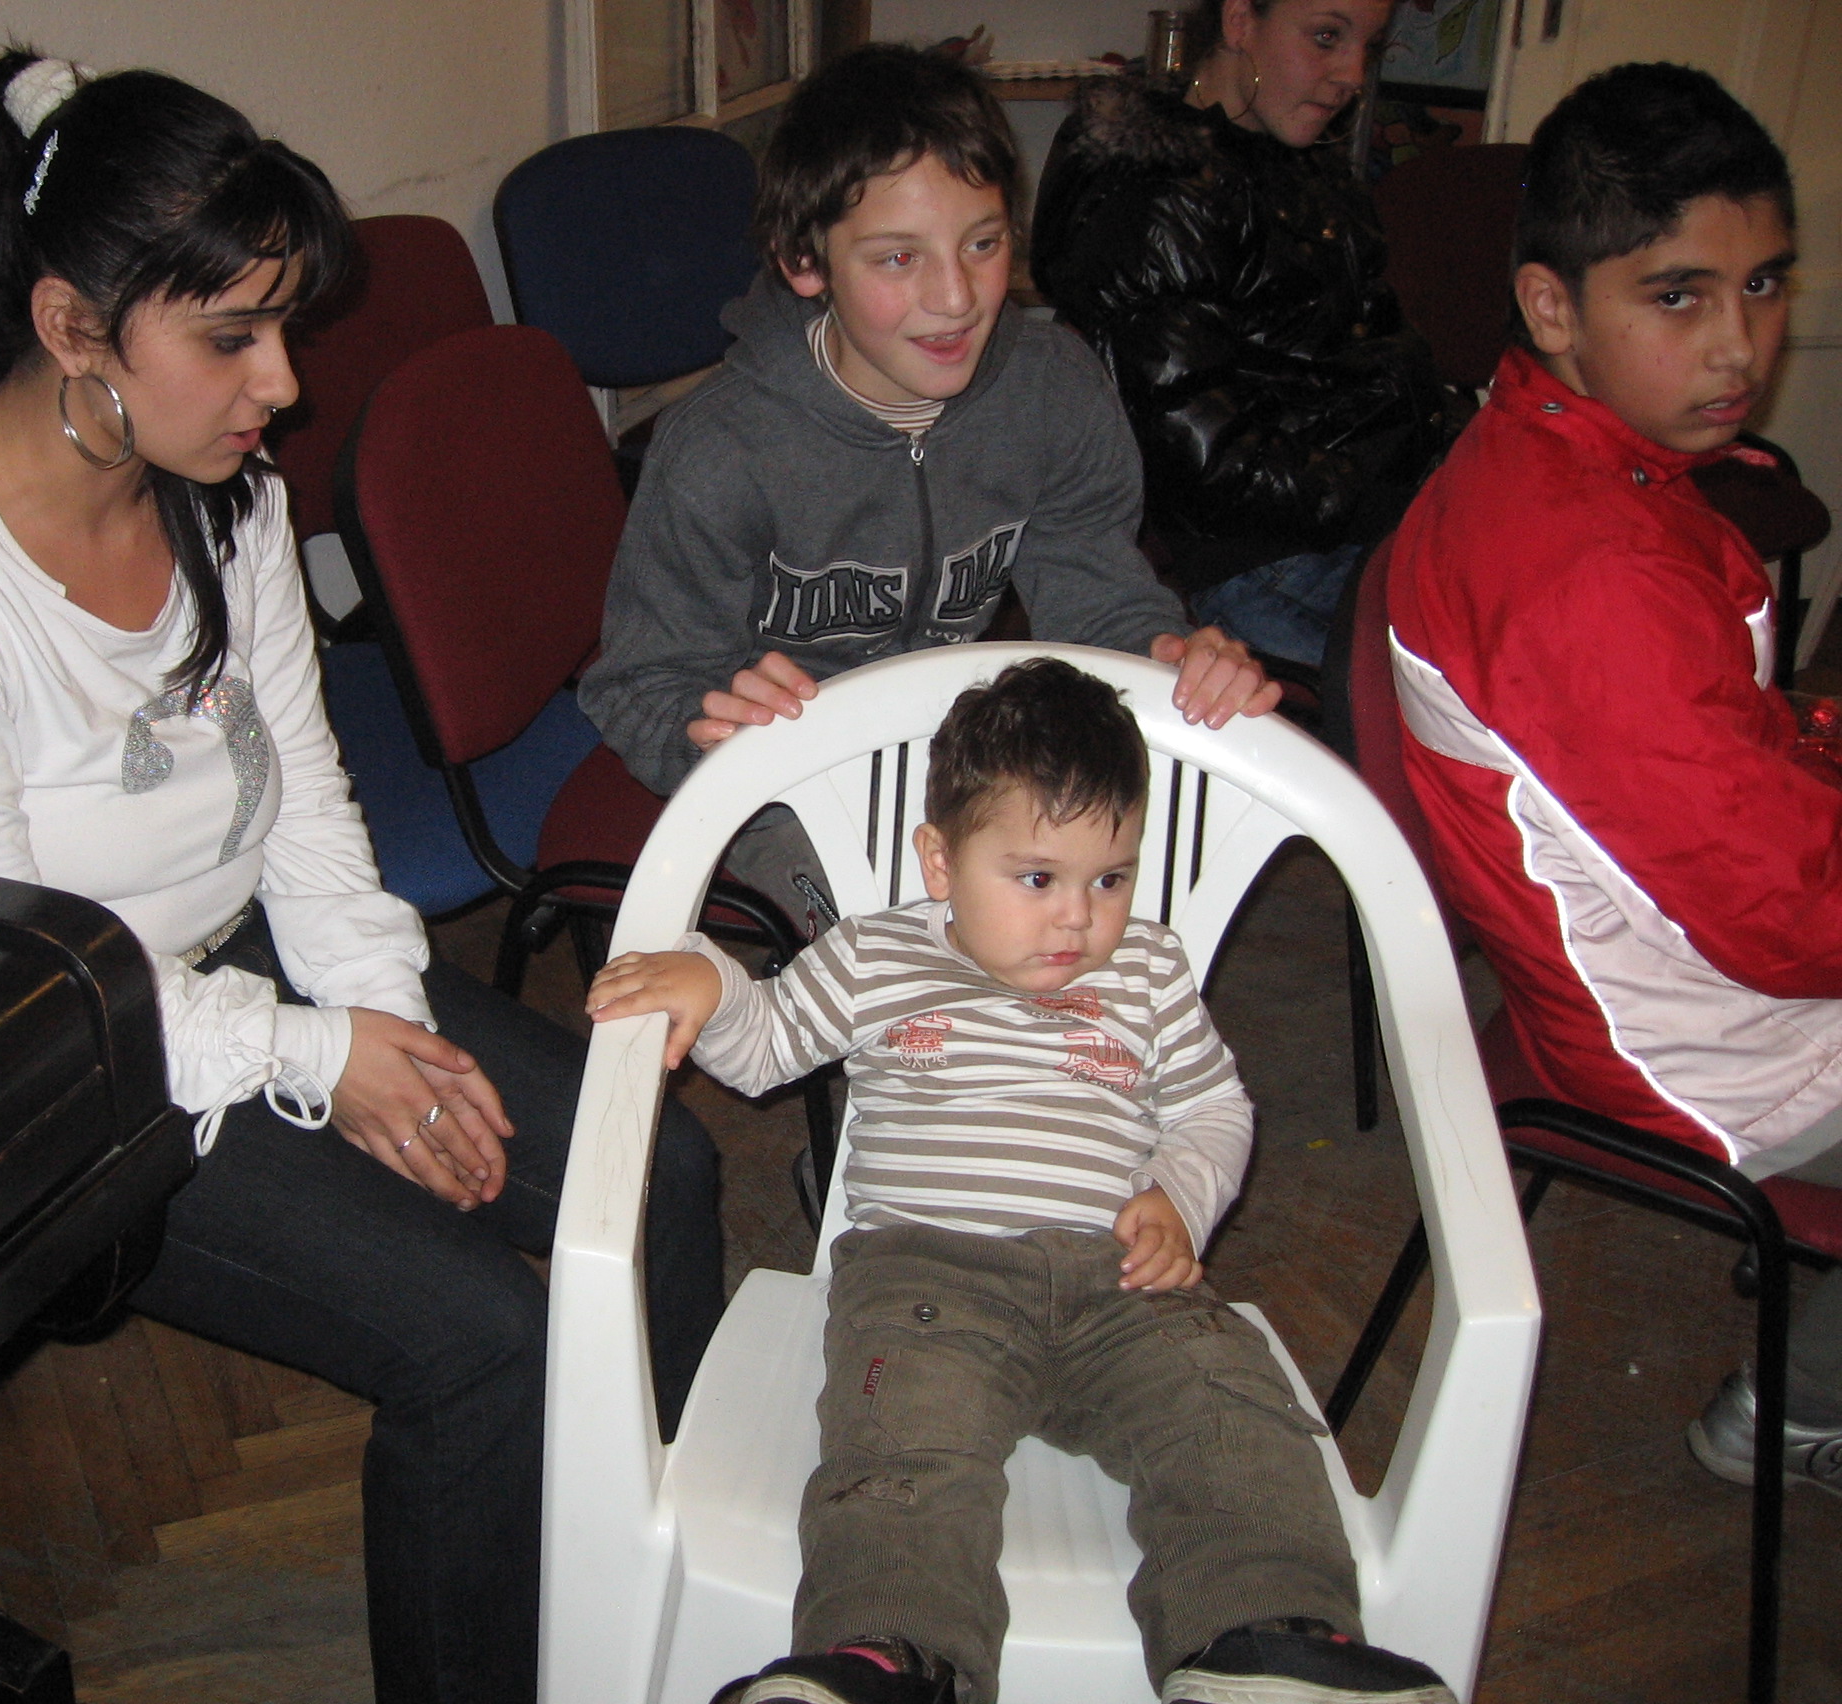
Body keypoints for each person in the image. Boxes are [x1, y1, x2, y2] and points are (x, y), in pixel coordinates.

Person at [0, 51, 725, 1703]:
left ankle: (659, 1563)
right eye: (231, 338)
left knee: (663, 1165)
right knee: (479, 1345)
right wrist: (321, 1057)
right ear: (74, 325)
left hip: (252, 980)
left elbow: (301, 801)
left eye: (281, 329)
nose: (281, 383)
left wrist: (381, 1016)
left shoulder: (223, 499)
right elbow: (17, 1002)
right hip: (52, 1081)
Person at [586, 659, 1458, 1704]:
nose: (1077, 920)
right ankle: (885, 1659)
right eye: (1037, 879)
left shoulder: (1148, 970)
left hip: (1121, 1280)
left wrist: (1180, 1198)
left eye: (1111, 879)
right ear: (940, 861)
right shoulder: (876, 958)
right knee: (901, 1461)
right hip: (926, 1278)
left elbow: (1214, 1110)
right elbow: (768, 1043)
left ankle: (1266, 1639)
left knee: (1232, 1419)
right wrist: (717, 982)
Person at [1385, 64, 1842, 1495]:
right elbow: (1782, 918)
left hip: (1666, 955)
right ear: (1552, 308)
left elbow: (1715, 782)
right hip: (1690, 1039)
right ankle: (1798, 1410)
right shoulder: (1591, 572)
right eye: (1678, 297)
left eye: (1761, 285)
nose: (1738, 345)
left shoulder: (1572, 456)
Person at [577, 44, 1278, 937]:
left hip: (969, 761)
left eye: (983, 244)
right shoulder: (720, 450)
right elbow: (640, 682)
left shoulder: (1053, 390)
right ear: (805, 261)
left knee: (1126, 911)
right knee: (933, 961)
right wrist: (708, 728)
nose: (955, 299)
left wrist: (1170, 656)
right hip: (785, 792)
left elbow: (1097, 599)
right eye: (898, 258)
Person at [1031, 0, 1454, 669]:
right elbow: (1199, 453)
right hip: (1269, 560)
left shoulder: (1295, 160)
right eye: (1325, 37)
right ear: (1238, 21)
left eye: (1369, 48)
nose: (1352, 75)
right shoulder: (1168, 195)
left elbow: (1376, 350)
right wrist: (1378, 492)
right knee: (1500, 662)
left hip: (1345, 519)